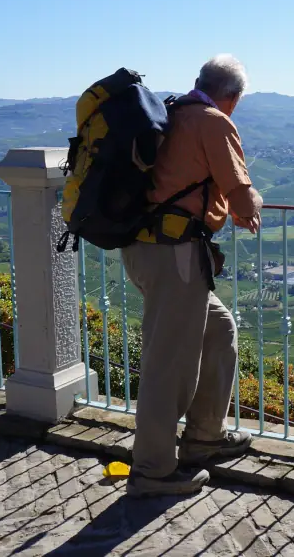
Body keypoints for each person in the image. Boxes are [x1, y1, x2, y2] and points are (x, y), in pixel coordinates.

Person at [121, 54, 263, 496]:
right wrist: (252, 203)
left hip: (149, 249)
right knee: (169, 365)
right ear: (234, 97)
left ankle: (203, 437)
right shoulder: (214, 122)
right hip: (175, 254)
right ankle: (152, 471)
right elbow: (242, 201)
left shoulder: (171, 111)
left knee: (219, 330)